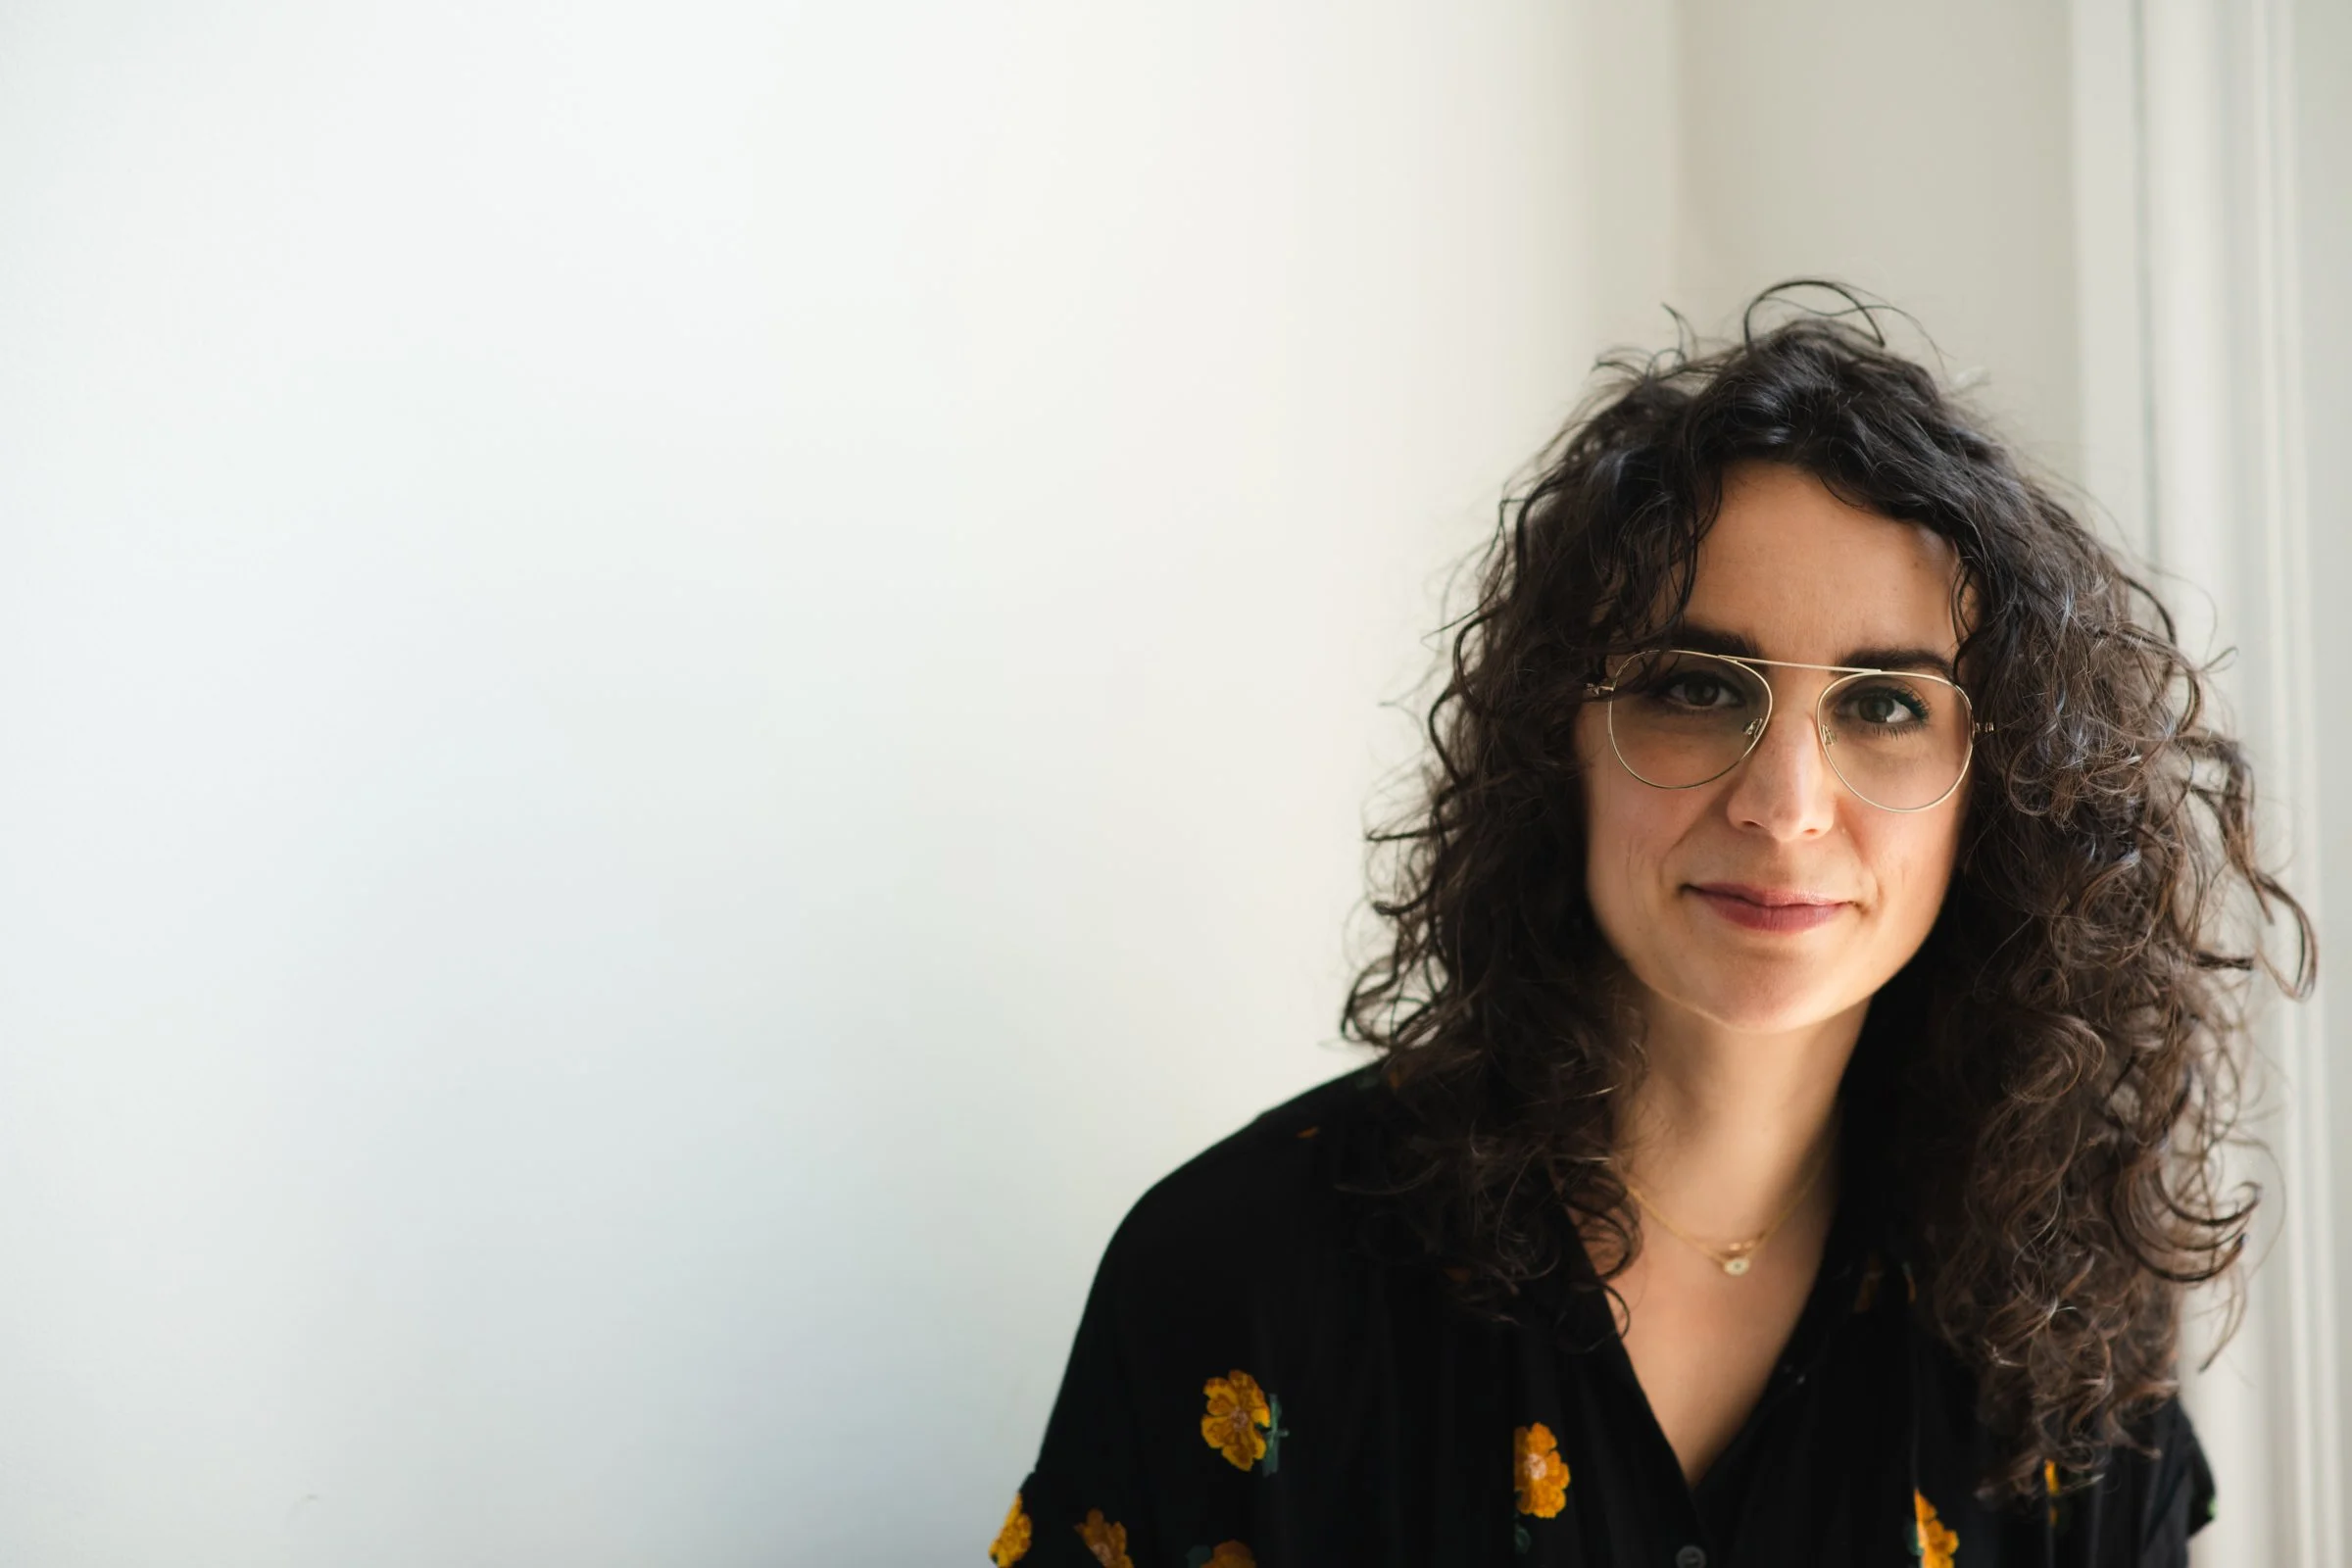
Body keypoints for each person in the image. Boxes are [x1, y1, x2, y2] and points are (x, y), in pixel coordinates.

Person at [985, 287, 2315, 1567]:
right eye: (1694, 686)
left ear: (2008, 794)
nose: (1785, 806)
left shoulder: (2057, 1317)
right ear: (1556, 741)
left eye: (1887, 707)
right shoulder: (1238, 1277)